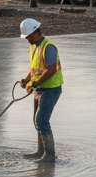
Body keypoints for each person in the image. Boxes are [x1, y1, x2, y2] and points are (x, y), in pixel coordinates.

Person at [18, 18, 63, 164]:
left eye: (29, 37)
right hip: (40, 88)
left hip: (51, 89)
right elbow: (35, 68)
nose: (27, 40)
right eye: (26, 37)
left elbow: (51, 70)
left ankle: (49, 156)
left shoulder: (49, 47)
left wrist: (35, 83)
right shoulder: (34, 46)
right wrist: (27, 80)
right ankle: (40, 151)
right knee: (37, 121)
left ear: (36, 32)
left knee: (42, 120)